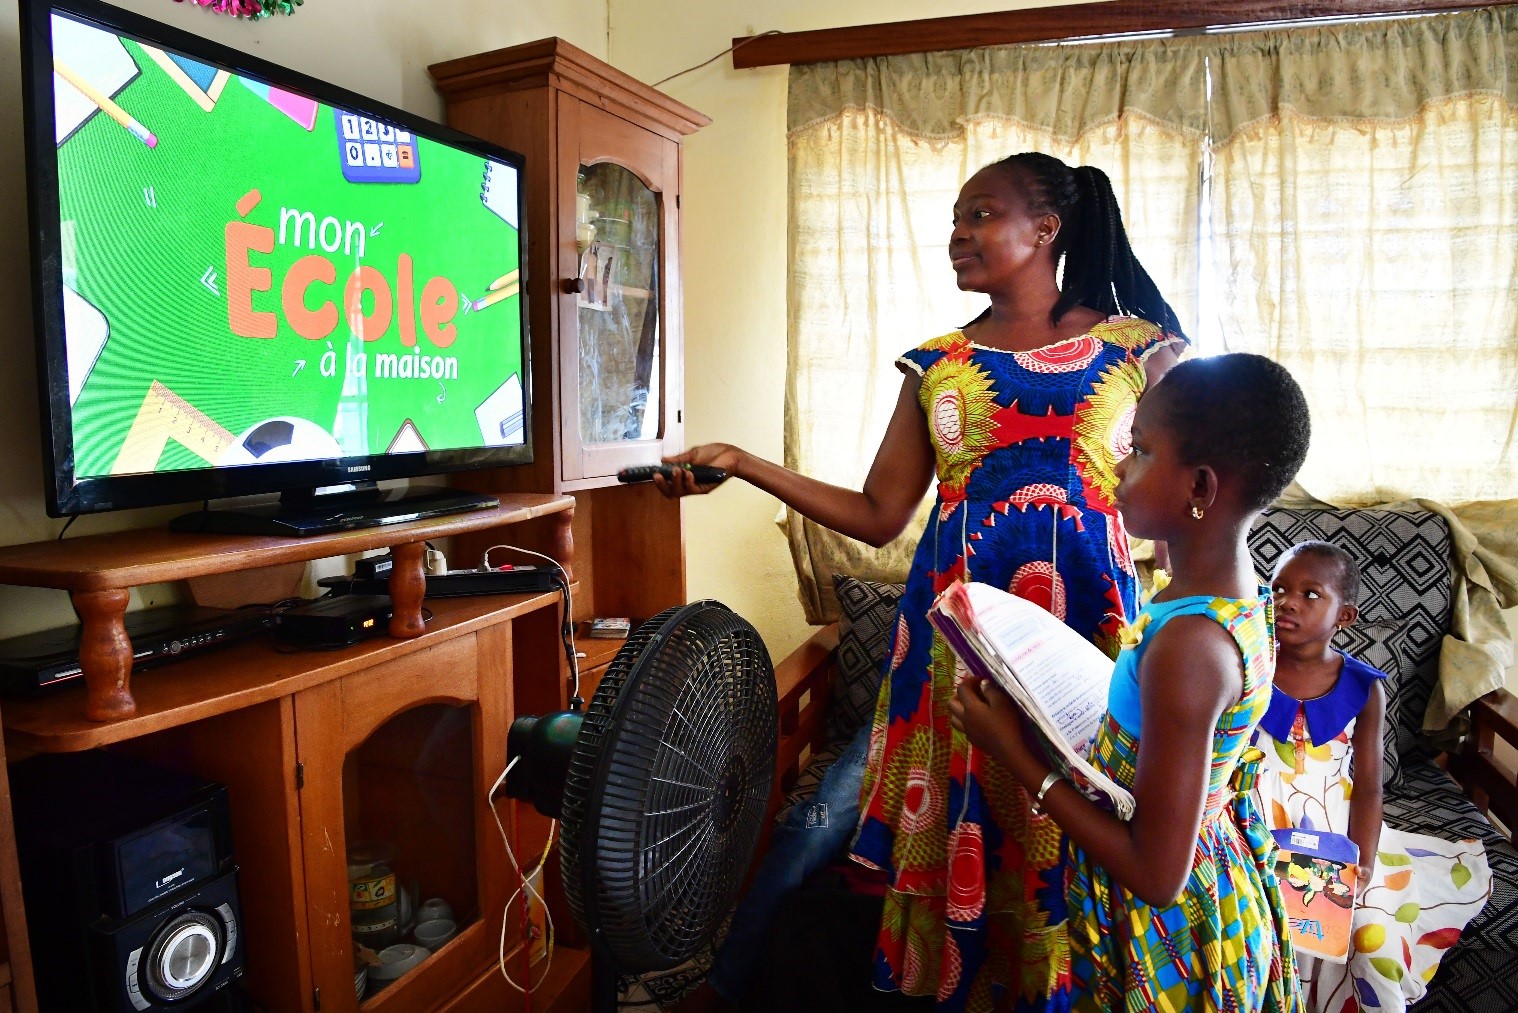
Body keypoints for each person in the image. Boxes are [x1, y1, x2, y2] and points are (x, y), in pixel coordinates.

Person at [659, 151, 1186, 1010]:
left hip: (1086, 643)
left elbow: (1199, 484)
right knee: (957, 841)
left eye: (980, 215)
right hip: (955, 652)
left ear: (1045, 229)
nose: (957, 236)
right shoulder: (936, 364)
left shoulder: (1139, 350)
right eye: (954, 219)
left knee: (1071, 836)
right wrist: (746, 463)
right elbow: (878, 512)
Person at [951, 352, 1311, 1011]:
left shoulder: (1191, 648)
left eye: (1140, 450)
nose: (1118, 466)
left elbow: (1155, 875)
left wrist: (1017, 754)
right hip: (1209, 880)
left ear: (1200, 490)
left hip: (1171, 941)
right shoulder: (1222, 594)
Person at [1256, 541, 1491, 1012]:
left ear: (1345, 616)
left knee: (1369, 940)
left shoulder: (1365, 688)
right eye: (1279, 588)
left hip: (1339, 831)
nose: (1287, 602)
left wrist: (1361, 864)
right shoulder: (1248, 667)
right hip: (1260, 824)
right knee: (1277, 929)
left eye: (1310, 594)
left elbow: (1368, 785)